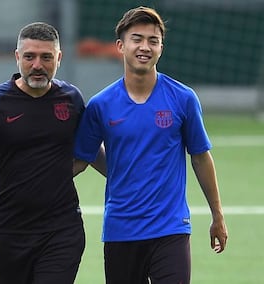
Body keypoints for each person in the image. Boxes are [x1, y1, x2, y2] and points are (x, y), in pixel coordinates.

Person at [73, 6, 228, 284]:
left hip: (171, 229)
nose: (145, 46)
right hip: (121, 229)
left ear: (161, 48)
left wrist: (218, 215)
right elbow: (82, 158)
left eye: (152, 40)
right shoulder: (100, 105)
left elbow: (201, 157)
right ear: (120, 46)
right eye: (137, 39)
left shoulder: (183, 98)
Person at [0, 22, 104, 284]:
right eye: (29, 57)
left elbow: (91, 151)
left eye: (46, 57)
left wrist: (130, 177)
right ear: (17, 58)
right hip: (9, 231)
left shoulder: (71, 99)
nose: (38, 65)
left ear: (58, 58)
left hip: (63, 230)